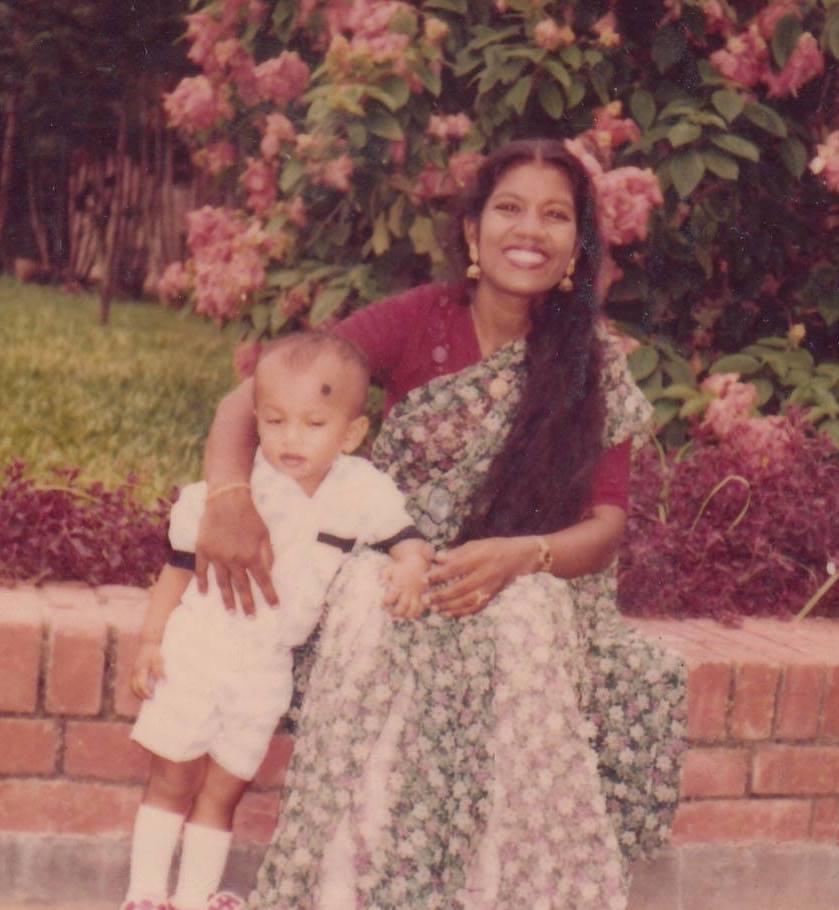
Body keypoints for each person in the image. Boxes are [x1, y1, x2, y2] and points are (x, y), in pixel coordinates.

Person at [197, 138, 688, 910]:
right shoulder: (420, 316)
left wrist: (520, 557)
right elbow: (255, 395)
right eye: (509, 208)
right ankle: (341, 893)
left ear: (576, 246)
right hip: (396, 560)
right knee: (368, 603)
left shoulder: (592, 361)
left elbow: (603, 526)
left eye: (554, 215)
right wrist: (229, 497)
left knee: (521, 621)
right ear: (471, 231)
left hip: (527, 575)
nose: (529, 230)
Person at [121, 333, 431, 910]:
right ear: (256, 419)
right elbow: (178, 568)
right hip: (199, 650)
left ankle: (194, 897)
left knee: (224, 789)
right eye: (275, 421)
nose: (291, 439)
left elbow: (405, 538)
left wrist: (412, 566)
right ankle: (144, 893)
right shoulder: (234, 491)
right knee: (173, 777)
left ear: (351, 434)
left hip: (266, 667)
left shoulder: (360, 491)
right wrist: (150, 640)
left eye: (314, 425)